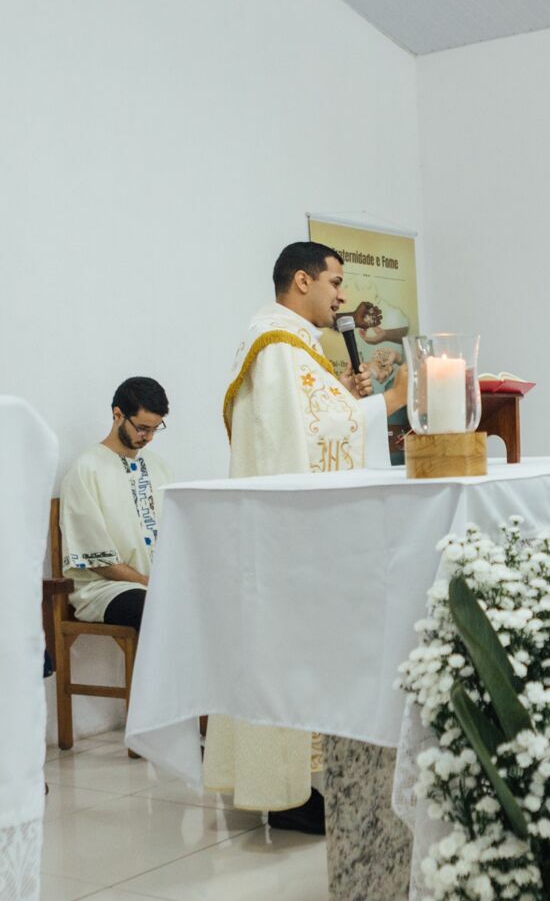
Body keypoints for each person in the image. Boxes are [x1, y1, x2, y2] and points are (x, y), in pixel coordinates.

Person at [205, 242, 409, 833]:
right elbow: (313, 434)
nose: (342, 296)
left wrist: (345, 394)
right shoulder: (277, 345)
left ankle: (282, 784)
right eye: (335, 282)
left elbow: (308, 423)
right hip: (286, 538)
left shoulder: (285, 343)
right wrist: (393, 400)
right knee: (285, 649)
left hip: (279, 532)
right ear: (302, 280)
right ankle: (283, 791)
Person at [58, 377, 170, 633]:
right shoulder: (86, 470)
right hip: (104, 589)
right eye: (142, 428)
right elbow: (98, 560)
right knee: (157, 608)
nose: (149, 437)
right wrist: (147, 582)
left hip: (154, 584)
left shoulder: (160, 469)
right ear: (118, 415)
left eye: (155, 429)